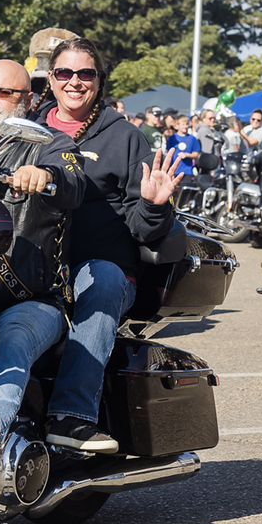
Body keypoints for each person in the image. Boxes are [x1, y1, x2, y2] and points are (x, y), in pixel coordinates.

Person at [32, 38, 181, 452]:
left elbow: (143, 228)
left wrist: (154, 204)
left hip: (99, 266)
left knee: (104, 280)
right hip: (30, 267)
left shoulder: (125, 138)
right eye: (64, 73)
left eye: (86, 74)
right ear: (51, 78)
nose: (74, 82)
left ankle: (71, 416)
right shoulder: (27, 129)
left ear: (99, 81)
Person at [0, 59, 85, 462]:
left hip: (30, 298)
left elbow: (72, 182)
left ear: (26, 100)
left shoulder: (51, 145)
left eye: (4, 93)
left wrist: (44, 176)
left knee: (14, 339)